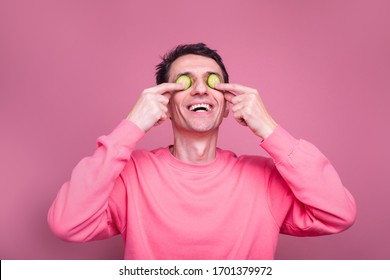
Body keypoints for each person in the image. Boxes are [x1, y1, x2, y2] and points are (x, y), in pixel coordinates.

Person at [48, 43, 357, 259]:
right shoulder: (132, 175)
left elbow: (338, 213)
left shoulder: (262, 178)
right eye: (185, 81)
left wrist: (269, 128)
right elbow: (67, 223)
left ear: (225, 107)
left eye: (212, 82)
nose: (199, 89)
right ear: (164, 106)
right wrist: (131, 126)